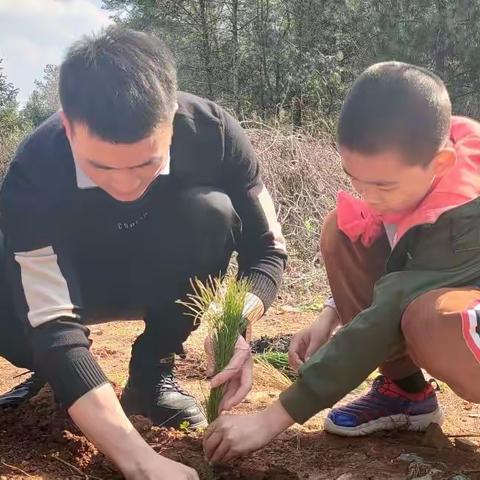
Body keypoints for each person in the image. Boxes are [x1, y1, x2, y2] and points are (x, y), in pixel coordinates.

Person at [0, 27, 286, 479]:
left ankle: (152, 373)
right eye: (100, 167)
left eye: (145, 163)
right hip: (72, 281)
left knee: (211, 210)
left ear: (170, 119)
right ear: (69, 126)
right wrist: (140, 460)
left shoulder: (214, 133)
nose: (125, 185)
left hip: (162, 273)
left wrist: (234, 324)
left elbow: (267, 252)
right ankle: (58, 379)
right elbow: (50, 320)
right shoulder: (34, 169)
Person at [203, 61, 480, 464]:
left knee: (434, 318)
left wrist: (273, 417)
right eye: (355, 179)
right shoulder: (411, 158)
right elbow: (401, 258)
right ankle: (406, 394)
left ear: (440, 164)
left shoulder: (464, 211)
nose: (369, 197)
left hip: (461, 307)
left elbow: (390, 307)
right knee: (345, 227)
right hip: (426, 285)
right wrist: (328, 314)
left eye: (382, 186)